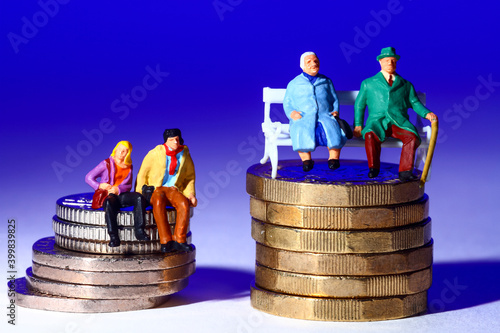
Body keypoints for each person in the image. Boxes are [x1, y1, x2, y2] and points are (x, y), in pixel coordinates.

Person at [354, 47, 438, 181]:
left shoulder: (406, 85)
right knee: (370, 135)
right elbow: (359, 105)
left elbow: (415, 102)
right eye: (387, 60)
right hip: (377, 121)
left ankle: (405, 170)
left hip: (399, 121)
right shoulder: (368, 83)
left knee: (411, 137)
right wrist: (358, 125)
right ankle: (373, 168)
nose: (390, 63)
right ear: (380, 62)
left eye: (393, 61)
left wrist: (427, 114)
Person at [283, 51, 347, 172]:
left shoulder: (326, 81)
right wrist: (292, 114)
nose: (313, 64)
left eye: (316, 61)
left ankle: (334, 158)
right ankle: (306, 160)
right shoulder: (294, 83)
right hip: (303, 117)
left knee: (334, 131)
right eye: (309, 62)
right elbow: (287, 102)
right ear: (302, 65)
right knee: (300, 131)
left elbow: (334, 99)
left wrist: (335, 111)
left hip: (325, 116)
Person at [136, 129, 196, 253]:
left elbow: (190, 177)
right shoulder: (154, 153)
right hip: (157, 189)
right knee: (158, 203)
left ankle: (179, 240)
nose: (175, 142)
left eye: (177, 139)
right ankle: (165, 241)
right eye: (171, 140)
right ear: (166, 141)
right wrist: (139, 193)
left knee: (184, 204)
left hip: (174, 189)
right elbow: (142, 174)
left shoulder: (184, 154)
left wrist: (191, 194)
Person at [85, 141, 149, 247]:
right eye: (120, 149)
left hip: (121, 194)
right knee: (109, 203)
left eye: (125, 151)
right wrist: (100, 185)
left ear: (128, 154)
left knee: (139, 197)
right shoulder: (106, 163)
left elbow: (128, 186)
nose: (121, 153)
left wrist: (118, 189)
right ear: (115, 149)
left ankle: (139, 231)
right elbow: (88, 177)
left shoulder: (129, 166)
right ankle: (114, 236)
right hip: (108, 195)